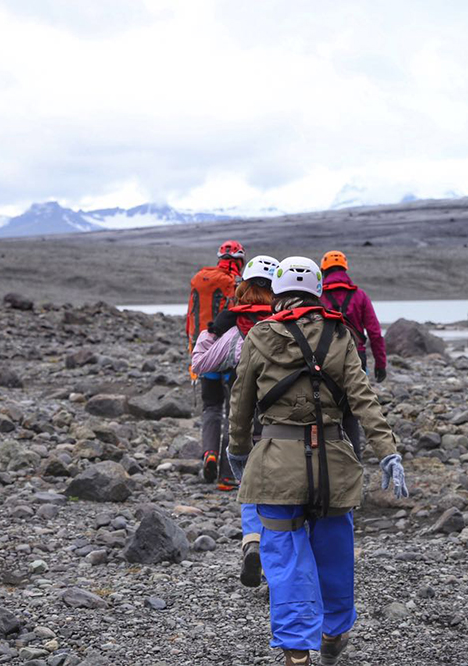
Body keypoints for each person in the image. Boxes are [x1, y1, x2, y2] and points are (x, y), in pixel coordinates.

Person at [226, 256, 408, 666]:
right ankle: (333, 632)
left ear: (278, 291)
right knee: (333, 552)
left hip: (275, 465)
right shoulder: (339, 335)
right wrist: (387, 451)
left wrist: (238, 451)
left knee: (285, 559)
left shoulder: (260, 335)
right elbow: (364, 400)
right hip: (333, 467)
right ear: (317, 291)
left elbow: (241, 402)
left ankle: (295, 652)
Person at [190, 255, 279, 588]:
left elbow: (200, 362)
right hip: (282, 422)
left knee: (251, 487)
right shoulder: (286, 322)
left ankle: (252, 542)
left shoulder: (232, 325)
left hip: (245, 417)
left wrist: (211, 330)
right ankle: (281, 561)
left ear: (243, 288)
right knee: (286, 489)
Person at [186, 240, 245, 483]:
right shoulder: (237, 285)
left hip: (204, 354)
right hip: (230, 357)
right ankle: (228, 473)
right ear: (239, 261)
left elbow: (190, 318)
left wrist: (193, 352)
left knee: (211, 408)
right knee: (234, 412)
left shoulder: (200, 280)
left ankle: (209, 453)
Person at [319, 250, 387, 453]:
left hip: (323, 359)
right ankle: (354, 460)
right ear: (345, 269)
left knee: (323, 412)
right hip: (356, 360)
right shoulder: (360, 296)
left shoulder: (318, 296)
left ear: (324, 270)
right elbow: (375, 333)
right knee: (350, 413)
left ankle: (325, 461)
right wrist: (381, 365)